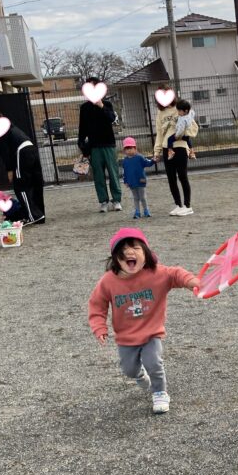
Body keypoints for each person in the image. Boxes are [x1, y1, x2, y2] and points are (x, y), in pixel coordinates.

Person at [88, 228, 199, 414]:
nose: (130, 252)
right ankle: (139, 374)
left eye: (136, 248)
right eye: (123, 250)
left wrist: (191, 281)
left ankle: (160, 392)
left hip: (151, 332)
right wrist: (99, 327)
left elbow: (176, 274)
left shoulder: (157, 273)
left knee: (153, 362)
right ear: (115, 258)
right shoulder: (108, 281)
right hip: (126, 337)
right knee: (129, 370)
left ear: (146, 253)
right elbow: (97, 305)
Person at [0, 106, 45, 225]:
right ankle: (39, 214)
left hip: (21, 152)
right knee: (35, 183)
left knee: (21, 186)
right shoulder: (10, 125)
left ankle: (33, 216)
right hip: (31, 148)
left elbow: (4, 151)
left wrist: (9, 170)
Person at [78, 77, 122, 213]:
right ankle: (103, 201)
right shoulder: (84, 108)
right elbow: (82, 128)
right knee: (98, 176)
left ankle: (116, 200)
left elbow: (112, 119)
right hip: (94, 147)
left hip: (109, 144)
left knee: (113, 173)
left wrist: (101, 106)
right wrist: (82, 145)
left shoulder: (107, 104)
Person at [153, 91, 193, 216]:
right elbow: (159, 134)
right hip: (166, 147)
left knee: (182, 176)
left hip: (180, 146)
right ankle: (178, 204)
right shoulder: (160, 113)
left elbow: (192, 126)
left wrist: (182, 135)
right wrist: (157, 151)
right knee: (171, 178)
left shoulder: (180, 108)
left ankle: (187, 205)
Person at [121, 137, 156, 219]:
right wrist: (125, 181)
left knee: (142, 197)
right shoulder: (125, 161)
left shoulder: (140, 157)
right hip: (131, 182)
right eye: (127, 149)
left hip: (141, 181)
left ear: (135, 148)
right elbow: (124, 172)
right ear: (124, 150)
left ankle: (146, 210)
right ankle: (137, 212)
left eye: (130, 148)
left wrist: (153, 161)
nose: (129, 150)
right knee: (135, 198)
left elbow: (147, 163)